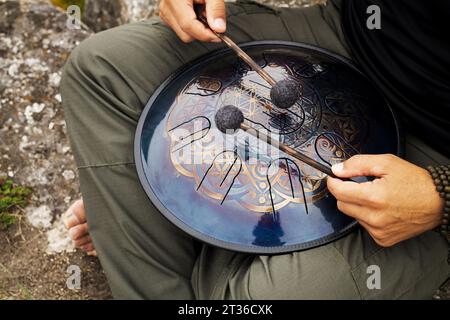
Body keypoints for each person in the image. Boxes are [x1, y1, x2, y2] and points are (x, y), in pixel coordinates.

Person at [61, 0, 450, 299]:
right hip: (352, 35)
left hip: (431, 151)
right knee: (102, 70)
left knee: (257, 299)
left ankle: (152, 227)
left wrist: (440, 196)